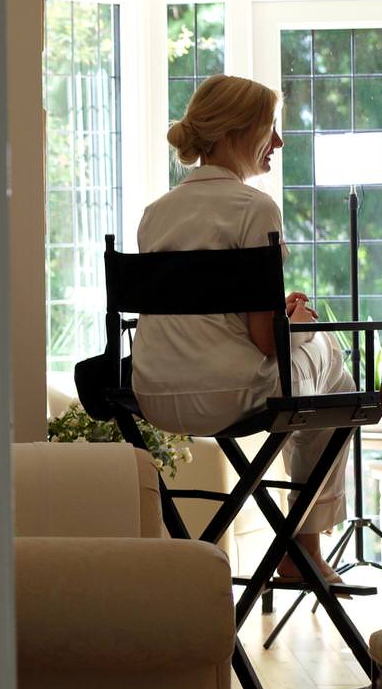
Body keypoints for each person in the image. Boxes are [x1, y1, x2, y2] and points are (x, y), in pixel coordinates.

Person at [131, 74, 355, 582]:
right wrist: (293, 319)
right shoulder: (256, 209)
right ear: (235, 133)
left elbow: (197, 314)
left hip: (153, 395)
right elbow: (263, 342)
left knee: (309, 357)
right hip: (231, 394)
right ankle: (302, 547)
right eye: (270, 128)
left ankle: (299, 547)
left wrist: (274, 310)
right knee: (332, 366)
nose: (277, 141)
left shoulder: (154, 214)